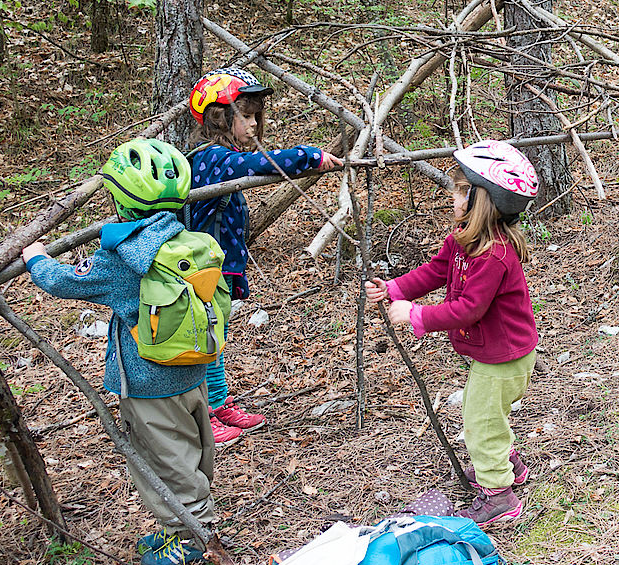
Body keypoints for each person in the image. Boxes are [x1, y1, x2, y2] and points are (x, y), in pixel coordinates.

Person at [21, 139, 217, 565]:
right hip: (191, 367)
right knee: (194, 442)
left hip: (147, 382)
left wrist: (35, 258)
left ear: (120, 200)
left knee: (162, 454)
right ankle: (187, 517)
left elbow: (66, 282)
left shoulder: (122, 257)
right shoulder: (187, 242)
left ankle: (190, 533)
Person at [364, 140, 540, 526]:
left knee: (480, 422)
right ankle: (506, 465)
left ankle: (500, 496)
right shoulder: (462, 240)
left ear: (483, 200)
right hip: (495, 354)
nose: (453, 195)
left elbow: (469, 309)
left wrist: (416, 315)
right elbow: (432, 272)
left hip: (506, 357)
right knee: (489, 415)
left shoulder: (494, 255)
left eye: (462, 190)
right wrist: (395, 290)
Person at [186, 66, 342, 444]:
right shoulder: (210, 159)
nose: (254, 124)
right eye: (246, 115)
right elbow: (258, 163)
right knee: (203, 339)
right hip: (201, 269)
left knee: (216, 336)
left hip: (221, 266)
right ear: (219, 117)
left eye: (257, 115)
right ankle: (201, 414)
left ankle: (218, 402)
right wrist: (310, 156)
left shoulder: (223, 156)